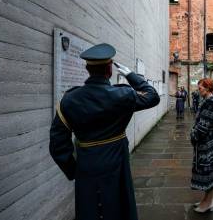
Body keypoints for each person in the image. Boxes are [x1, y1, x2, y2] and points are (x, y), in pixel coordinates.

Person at [49, 43, 160, 220]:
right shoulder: (123, 95)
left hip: (87, 165)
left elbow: (57, 144)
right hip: (117, 161)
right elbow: (152, 96)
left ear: (87, 69)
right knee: (120, 207)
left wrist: (73, 170)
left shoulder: (69, 99)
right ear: (109, 69)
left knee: (90, 209)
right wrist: (131, 75)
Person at [190, 78, 213, 213]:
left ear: (209, 88)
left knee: (208, 172)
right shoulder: (208, 100)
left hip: (207, 142)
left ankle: (208, 202)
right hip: (206, 141)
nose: (199, 91)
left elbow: (204, 126)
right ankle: (206, 200)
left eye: (201, 88)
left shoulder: (211, 103)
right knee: (207, 171)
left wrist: (193, 136)